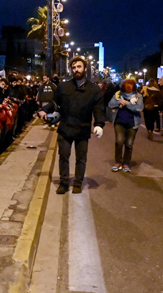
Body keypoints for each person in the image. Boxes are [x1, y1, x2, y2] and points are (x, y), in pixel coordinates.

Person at [38, 56, 105, 194]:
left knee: (81, 158)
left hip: (83, 128)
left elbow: (98, 109)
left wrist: (99, 124)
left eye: (79, 67)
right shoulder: (64, 87)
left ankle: (78, 183)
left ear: (85, 68)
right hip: (66, 127)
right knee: (63, 156)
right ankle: (63, 183)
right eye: (73, 67)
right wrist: (44, 110)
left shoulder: (94, 90)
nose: (76, 70)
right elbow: (54, 103)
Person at [108, 79, 144, 173]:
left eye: (130, 92)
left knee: (129, 144)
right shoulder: (118, 94)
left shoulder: (138, 96)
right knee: (119, 142)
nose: (127, 94)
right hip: (119, 122)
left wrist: (127, 104)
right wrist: (119, 102)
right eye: (126, 92)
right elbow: (110, 104)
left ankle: (126, 163)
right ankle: (118, 162)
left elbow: (139, 108)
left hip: (132, 123)